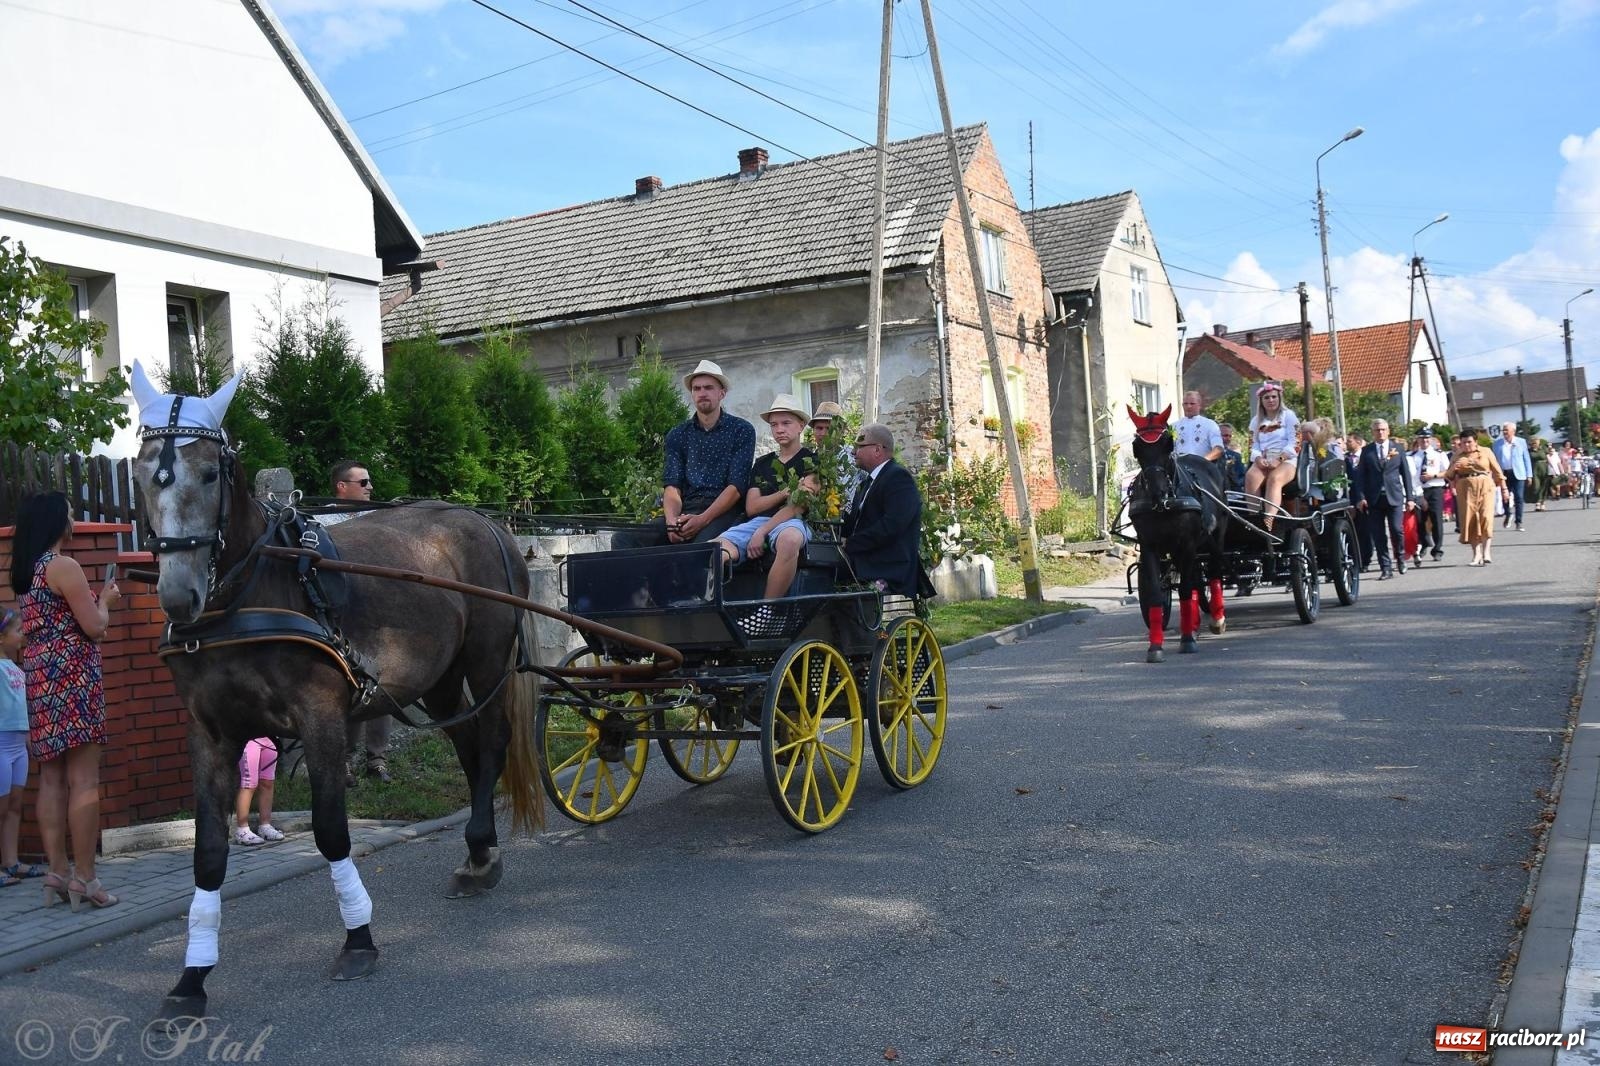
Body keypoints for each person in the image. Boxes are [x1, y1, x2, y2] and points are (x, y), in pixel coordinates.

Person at [8, 492, 122, 910]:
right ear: (57, 522)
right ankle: (86, 880)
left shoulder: (26, 572)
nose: (73, 521)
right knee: (84, 782)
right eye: (71, 515)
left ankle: (56, 872)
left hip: (40, 679)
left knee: (51, 779)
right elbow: (93, 628)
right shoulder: (65, 567)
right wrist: (105, 603)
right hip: (74, 678)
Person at [624, 359, 756, 548]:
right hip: (687, 508)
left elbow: (736, 487)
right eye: (697, 388)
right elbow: (672, 485)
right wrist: (671, 522)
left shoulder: (741, 430)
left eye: (708, 387)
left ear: (722, 393)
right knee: (624, 538)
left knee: (698, 550)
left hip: (724, 511)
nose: (702, 393)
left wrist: (702, 519)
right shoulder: (678, 434)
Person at [713, 395, 817, 600]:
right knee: (712, 548)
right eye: (774, 425)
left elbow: (799, 505)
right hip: (758, 521)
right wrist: (784, 493)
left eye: (786, 423)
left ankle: (766, 611)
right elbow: (752, 507)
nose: (779, 429)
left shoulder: (812, 461)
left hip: (793, 522)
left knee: (790, 539)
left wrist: (763, 531)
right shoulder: (762, 463)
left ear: (801, 425)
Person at [325, 460, 390, 784]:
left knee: (383, 685)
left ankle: (377, 760)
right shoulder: (322, 522)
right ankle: (346, 761)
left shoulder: (377, 521)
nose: (370, 488)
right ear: (342, 486)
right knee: (347, 686)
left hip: (376, 610)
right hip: (341, 616)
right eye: (363, 483)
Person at [841, 423, 926, 596]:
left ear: (878, 450)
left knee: (825, 573)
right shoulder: (868, 481)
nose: (853, 452)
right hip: (866, 558)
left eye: (859, 446)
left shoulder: (898, 477)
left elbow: (892, 526)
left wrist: (850, 544)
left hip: (888, 566)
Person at [1, 607, 46, 886]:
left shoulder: (16, 667)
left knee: (15, 805)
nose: (24, 635)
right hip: (1, 745)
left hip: (19, 746)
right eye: (18, 631)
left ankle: (11, 861)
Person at [1352, 419, 1420, 580]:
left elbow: (1406, 475)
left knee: (1397, 529)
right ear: (1372, 432)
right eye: (1377, 430)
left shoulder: (1398, 448)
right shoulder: (1367, 451)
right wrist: (1361, 498)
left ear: (1388, 431)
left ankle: (1401, 557)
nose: (1380, 432)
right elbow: (1360, 476)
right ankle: (1386, 568)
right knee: (1378, 534)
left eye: (1383, 429)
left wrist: (1410, 497)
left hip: (1394, 496)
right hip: (1374, 499)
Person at [1444, 430, 1511, 566]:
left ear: (1475, 442)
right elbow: (1448, 475)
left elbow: (1497, 471)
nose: (1466, 445)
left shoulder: (1485, 452)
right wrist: (1454, 468)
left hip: (1485, 485)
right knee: (1471, 520)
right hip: (1465, 488)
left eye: (1469, 442)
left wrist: (1504, 489)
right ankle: (1476, 554)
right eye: (1463, 443)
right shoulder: (1457, 455)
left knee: (1486, 517)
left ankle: (1486, 552)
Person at [1242, 382, 1300, 530]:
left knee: (1275, 479)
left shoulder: (1289, 416)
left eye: (1274, 397)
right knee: (1251, 476)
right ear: (1261, 401)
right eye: (1267, 397)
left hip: (1286, 458)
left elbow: (1296, 443)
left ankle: (1269, 518)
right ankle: (1254, 518)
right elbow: (1252, 445)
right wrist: (1258, 458)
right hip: (1264, 458)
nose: (1271, 400)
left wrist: (1279, 459)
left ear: (1279, 398)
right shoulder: (1256, 421)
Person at [808, 401, 865, 512]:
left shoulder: (854, 456)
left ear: (841, 431)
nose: (824, 433)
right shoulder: (809, 460)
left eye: (829, 428)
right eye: (819, 428)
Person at [233, 737, 285, 846]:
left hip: (270, 738)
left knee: (268, 781)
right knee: (249, 783)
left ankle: (265, 826)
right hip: (249, 739)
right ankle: (242, 830)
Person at [1412, 430, 1449, 563]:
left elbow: (1447, 471)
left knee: (1436, 520)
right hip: (1419, 491)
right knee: (1420, 520)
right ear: (1418, 440)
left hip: (1435, 489)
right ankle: (1424, 543)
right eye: (1422, 439)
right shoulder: (1413, 455)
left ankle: (1437, 549)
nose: (1424, 441)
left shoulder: (1439, 454)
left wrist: (1433, 476)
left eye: (1427, 439)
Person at [1494, 422, 1533, 530]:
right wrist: (1495, 475)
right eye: (1504, 430)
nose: (1505, 432)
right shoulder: (1497, 444)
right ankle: (1508, 514)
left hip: (1518, 473)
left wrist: (1529, 475)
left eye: (1507, 430)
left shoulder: (1521, 442)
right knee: (1504, 497)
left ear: (1513, 431)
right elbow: (1494, 461)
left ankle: (1519, 522)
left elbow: (1526, 459)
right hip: (1504, 473)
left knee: (1519, 497)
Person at [1172, 390, 1223, 460]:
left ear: (1199, 405)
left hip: (1202, 467)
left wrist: (1204, 461)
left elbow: (1218, 449)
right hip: (1179, 467)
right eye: (1185, 403)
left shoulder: (1210, 424)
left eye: (1192, 403)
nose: (1188, 406)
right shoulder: (1173, 426)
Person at [1218, 423, 1246, 491]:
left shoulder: (1236, 456)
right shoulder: (1208, 455)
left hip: (1233, 493)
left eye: (1230, 436)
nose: (1228, 438)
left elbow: (1242, 476)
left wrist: (1236, 483)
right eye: (1225, 435)